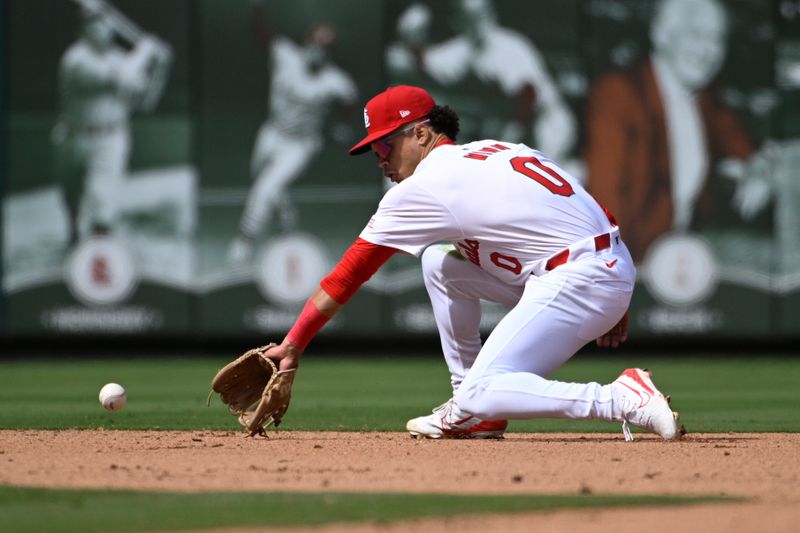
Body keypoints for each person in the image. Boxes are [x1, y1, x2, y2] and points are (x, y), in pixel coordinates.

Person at [259, 84, 684, 442]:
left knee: (483, 389)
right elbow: (588, 210)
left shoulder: (424, 187)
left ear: (421, 134)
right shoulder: (496, 149)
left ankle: (621, 397)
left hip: (579, 278)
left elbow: (349, 274)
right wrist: (616, 289)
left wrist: (295, 342)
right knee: (441, 264)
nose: (381, 158)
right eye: (375, 149)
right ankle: (473, 412)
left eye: (386, 144)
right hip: (602, 264)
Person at [585, 0, 774, 262]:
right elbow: (604, 205)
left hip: (685, 248)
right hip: (635, 261)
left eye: (716, 39)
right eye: (695, 34)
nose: (707, 50)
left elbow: (741, 142)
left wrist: (757, 170)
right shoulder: (619, 94)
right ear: (661, 34)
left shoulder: (703, 97)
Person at [227, 0, 358, 264]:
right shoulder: (285, 54)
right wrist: (257, 8)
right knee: (265, 183)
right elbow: (262, 34)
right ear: (305, 42)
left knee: (264, 189)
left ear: (330, 54)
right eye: (313, 43)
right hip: (271, 134)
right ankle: (286, 216)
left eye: (324, 48)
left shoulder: (335, 81)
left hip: (300, 145)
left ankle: (245, 239)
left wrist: (343, 125)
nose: (317, 51)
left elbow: (350, 101)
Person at [385, 0, 575, 161]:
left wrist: (512, 131)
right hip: (511, 123)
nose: (478, 22)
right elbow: (424, 64)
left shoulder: (509, 45)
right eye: (470, 17)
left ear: (491, 15)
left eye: (481, 14)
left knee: (539, 182)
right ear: (458, 21)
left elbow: (528, 95)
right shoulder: (463, 49)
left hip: (546, 123)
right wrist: (412, 39)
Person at [54, 2, 171, 242]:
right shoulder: (76, 59)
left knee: (103, 203)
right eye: (94, 23)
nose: (103, 28)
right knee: (71, 195)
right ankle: (74, 232)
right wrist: (146, 51)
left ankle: (99, 248)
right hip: (73, 136)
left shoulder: (119, 58)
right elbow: (123, 77)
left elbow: (145, 102)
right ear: (82, 30)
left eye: (105, 23)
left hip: (110, 139)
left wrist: (160, 70)